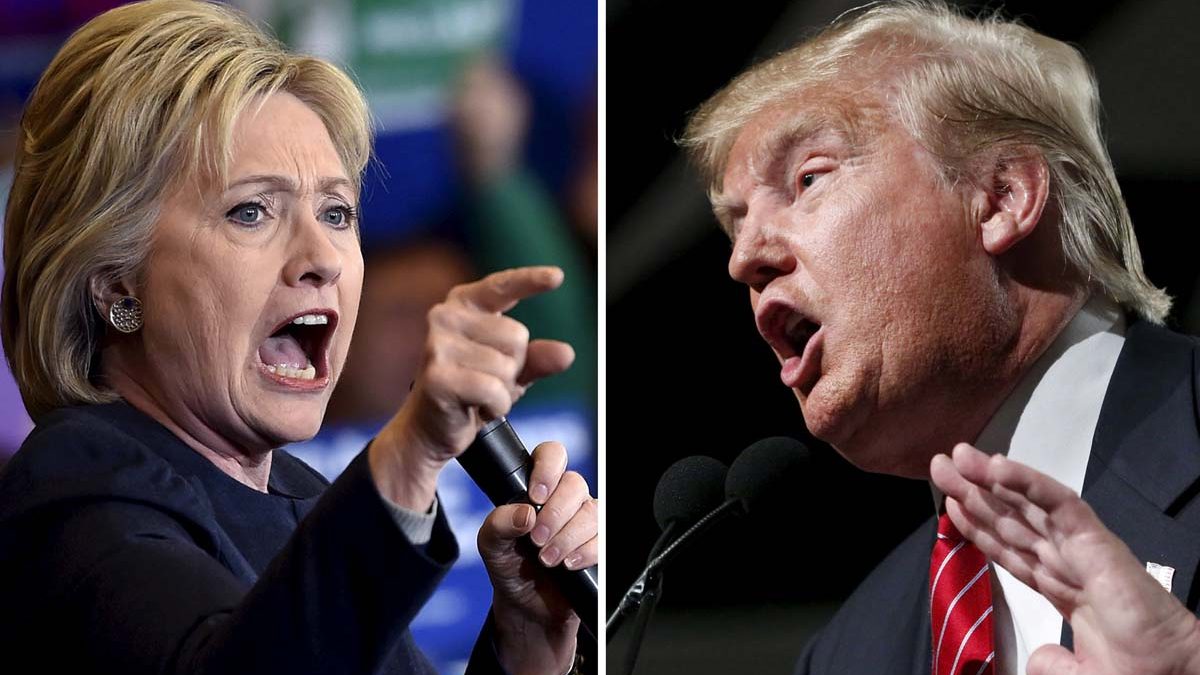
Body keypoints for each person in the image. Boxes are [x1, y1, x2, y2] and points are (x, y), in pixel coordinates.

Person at [0, 2, 596, 673]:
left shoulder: (305, 499)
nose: (324, 256)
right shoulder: (72, 488)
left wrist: (524, 646)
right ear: (115, 283)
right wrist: (410, 455)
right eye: (251, 210)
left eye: (337, 211)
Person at [680, 1, 1200, 673]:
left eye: (809, 178)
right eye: (735, 223)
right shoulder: (843, 654)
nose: (742, 257)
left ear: (1002, 195)